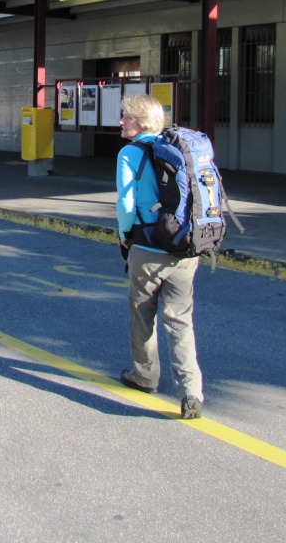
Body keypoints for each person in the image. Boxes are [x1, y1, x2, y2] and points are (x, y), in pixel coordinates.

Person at [115, 93, 203, 419]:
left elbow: (126, 204)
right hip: (185, 249)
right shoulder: (180, 147)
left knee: (142, 315)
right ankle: (191, 391)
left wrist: (125, 236)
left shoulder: (130, 153)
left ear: (142, 121)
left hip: (148, 249)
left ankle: (145, 376)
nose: (122, 121)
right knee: (180, 321)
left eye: (127, 116)